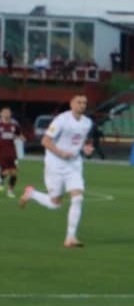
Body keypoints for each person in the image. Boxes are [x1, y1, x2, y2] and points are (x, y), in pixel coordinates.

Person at [19, 95, 94, 247]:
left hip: (74, 164)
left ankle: (70, 238)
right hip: (55, 164)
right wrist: (60, 153)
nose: (82, 105)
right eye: (79, 102)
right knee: (55, 204)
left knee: (78, 198)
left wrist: (86, 148)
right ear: (71, 104)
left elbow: (80, 141)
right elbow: (45, 141)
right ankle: (32, 194)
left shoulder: (87, 122)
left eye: (84, 103)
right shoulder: (61, 120)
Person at [0, 107, 21, 197]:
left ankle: (10, 191)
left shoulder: (14, 124)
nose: (6, 114)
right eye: (5, 112)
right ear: (1, 114)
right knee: (6, 171)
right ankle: (1, 180)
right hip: (1, 152)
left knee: (14, 173)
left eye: (8, 112)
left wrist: (21, 137)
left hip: (12, 151)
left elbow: (18, 134)